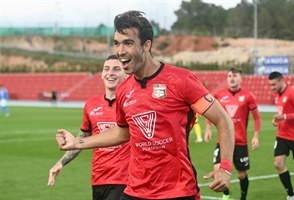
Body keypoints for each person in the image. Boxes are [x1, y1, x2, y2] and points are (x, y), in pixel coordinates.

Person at [55, 10, 235, 200]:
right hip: (135, 191)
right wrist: (77, 143)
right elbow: (122, 132)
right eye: (117, 43)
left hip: (178, 191)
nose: (120, 51)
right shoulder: (124, 89)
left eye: (128, 43)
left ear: (147, 45)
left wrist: (225, 167)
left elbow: (223, 120)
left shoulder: (180, 80)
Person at [48, 55, 130, 200]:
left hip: (125, 180)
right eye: (106, 69)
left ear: (125, 74)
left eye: (116, 69)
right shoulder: (91, 104)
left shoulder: (132, 103)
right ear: (102, 75)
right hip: (98, 179)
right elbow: (82, 139)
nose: (110, 73)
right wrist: (61, 162)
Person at [204, 67, 261, 200]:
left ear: (241, 78)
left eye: (235, 76)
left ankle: (243, 197)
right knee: (219, 169)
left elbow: (257, 117)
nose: (232, 78)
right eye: (229, 76)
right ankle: (226, 193)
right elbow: (209, 110)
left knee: (241, 174)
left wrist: (256, 135)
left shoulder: (248, 96)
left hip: (240, 141)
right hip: (222, 141)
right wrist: (207, 128)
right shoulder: (219, 94)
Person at [268, 71, 294, 200]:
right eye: (270, 85)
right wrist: (277, 120)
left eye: (274, 85)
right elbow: (282, 113)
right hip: (282, 135)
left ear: (281, 81)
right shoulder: (277, 96)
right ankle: (291, 194)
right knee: (278, 164)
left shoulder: (292, 93)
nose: (272, 88)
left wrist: (285, 117)